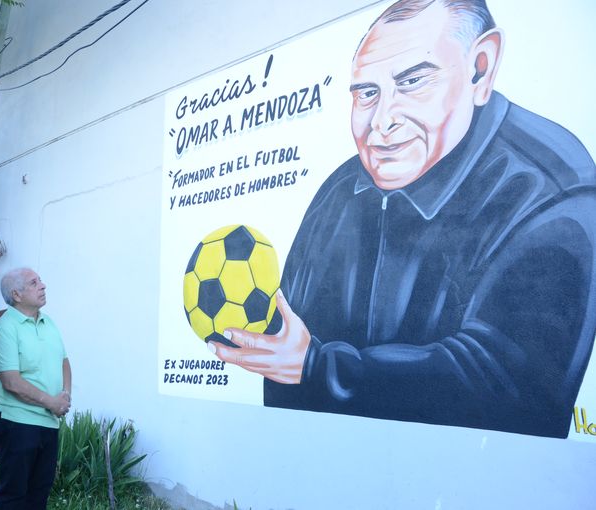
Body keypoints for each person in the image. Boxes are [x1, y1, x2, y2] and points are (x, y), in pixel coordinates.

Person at [208, 0, 596, 438]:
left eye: (413, 82)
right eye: (366, 93)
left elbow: (504, 388)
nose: (381, 122)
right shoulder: (339, 191)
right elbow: (287, 341)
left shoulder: (553, 192)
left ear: (480, 69)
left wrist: (316, 369)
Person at [0, 268, 72, 509]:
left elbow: (64, 362)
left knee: (39, 494)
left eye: (41, 281)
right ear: (16, 294)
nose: (43, 285)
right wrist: (52, 403)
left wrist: (65, 394)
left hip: (48, 421)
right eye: (34, 283)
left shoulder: (49, 322)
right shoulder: (6, 327)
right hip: (17, 422)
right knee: (14, 496)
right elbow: (11, 381)